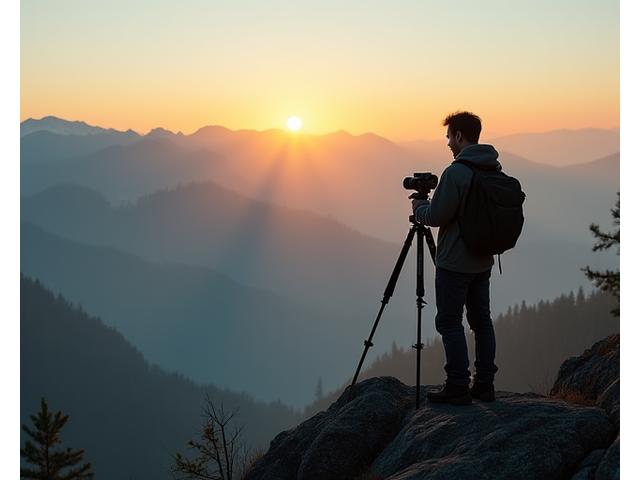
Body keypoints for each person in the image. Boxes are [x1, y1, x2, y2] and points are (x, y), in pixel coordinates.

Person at [412, 111, 499, 405]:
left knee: (449, 322)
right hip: (483, 260)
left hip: (455, 263)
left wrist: (419, 206)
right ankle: (484, 384)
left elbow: (435, 217)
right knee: (481, 321)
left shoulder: (456, 172)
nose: (448, 143)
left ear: (460, 136)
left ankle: (458, 385)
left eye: (449, 137)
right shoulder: (492, 167)